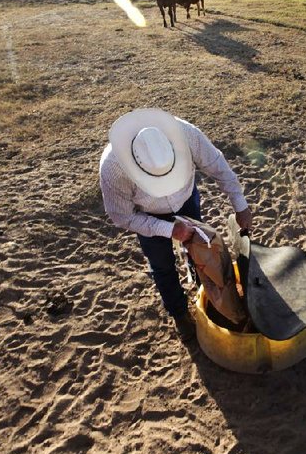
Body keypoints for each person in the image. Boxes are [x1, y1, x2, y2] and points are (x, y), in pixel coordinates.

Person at [99, 108, 253, 341]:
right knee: (162, 265)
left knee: (202, 251)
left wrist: (240, 205)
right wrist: (168, 229)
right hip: (147, 215)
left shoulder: (186, 134)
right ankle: (179, 312)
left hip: (186, 199)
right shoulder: (112, 166)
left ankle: (205, 289)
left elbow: (218, 166)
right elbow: (122, 216)